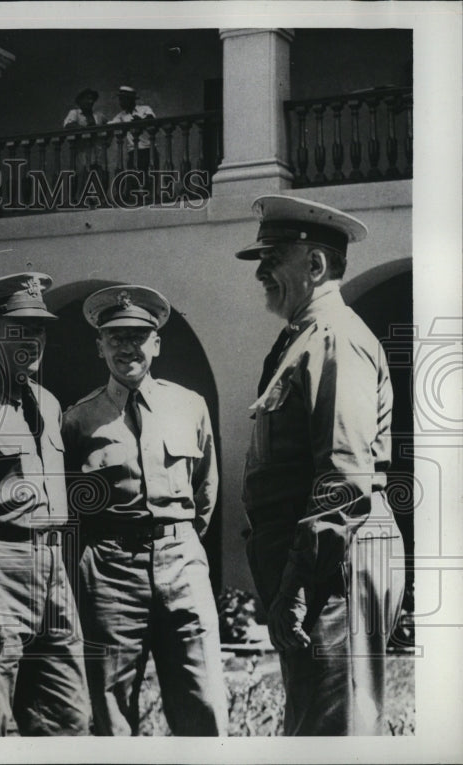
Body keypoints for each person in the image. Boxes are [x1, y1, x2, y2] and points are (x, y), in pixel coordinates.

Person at [236, 194, 405, 735]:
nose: (261, 270)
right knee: (319, 724)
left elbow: (342, 479)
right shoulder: (305, 337)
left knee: (337, 730)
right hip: (321, 562)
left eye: (273, 257)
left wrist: (298, 588)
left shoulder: (334, 337)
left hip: (334, 563)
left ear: (314, 264)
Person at [62, 285, 228, 736]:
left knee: (204, 698)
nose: (127, 347)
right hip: (110, 569)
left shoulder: (189, 406)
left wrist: (178, 541)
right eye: (115, 337)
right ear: (100, 346)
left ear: (156, 343)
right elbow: (70, 508)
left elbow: (205, 490)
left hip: (181, 562)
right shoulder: (78, 419)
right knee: (111, 706)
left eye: (138, 336)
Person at [0, 273, 90, 737]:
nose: (33, 339)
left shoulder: (48, 403)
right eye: (19, 327)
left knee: (69, 718)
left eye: (39, 328)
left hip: (52, 570)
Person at [108, 86, 158, 198]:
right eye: (120, 99)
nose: (121, 102)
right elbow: (110, 124)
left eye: (123, 99)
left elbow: (151, 118)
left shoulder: (144, 109)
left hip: (148, 150)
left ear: (131, 99)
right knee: (134, 180)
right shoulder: (121, 116)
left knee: (150, 179)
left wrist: (141, 121)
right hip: (133, 152)